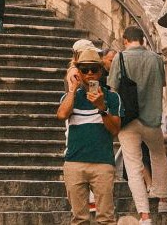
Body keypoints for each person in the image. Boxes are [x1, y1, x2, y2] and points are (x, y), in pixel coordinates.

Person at [107, 26, 167, 222]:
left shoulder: (120, 58)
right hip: (152, 119)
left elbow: (112, 89)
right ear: (143, 40)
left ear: (125, 40)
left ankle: (144, 215)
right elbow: (161, 84)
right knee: (159, 156)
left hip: (128, 121)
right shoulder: (156, 59)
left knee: (134, 166)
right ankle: (163, 200)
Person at [56, 50, 123, 225]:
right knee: (79, 219)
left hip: (102, 163)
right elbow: (62, 115)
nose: (90, 74)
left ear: (101, 71)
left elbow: (115, 130)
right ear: (78, 72)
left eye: (94, 69)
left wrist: (101, 108)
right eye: (85, 70)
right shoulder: (71, 97)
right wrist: (72, 90)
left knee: (106, 218)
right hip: (75, 162)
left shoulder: (112, 97)